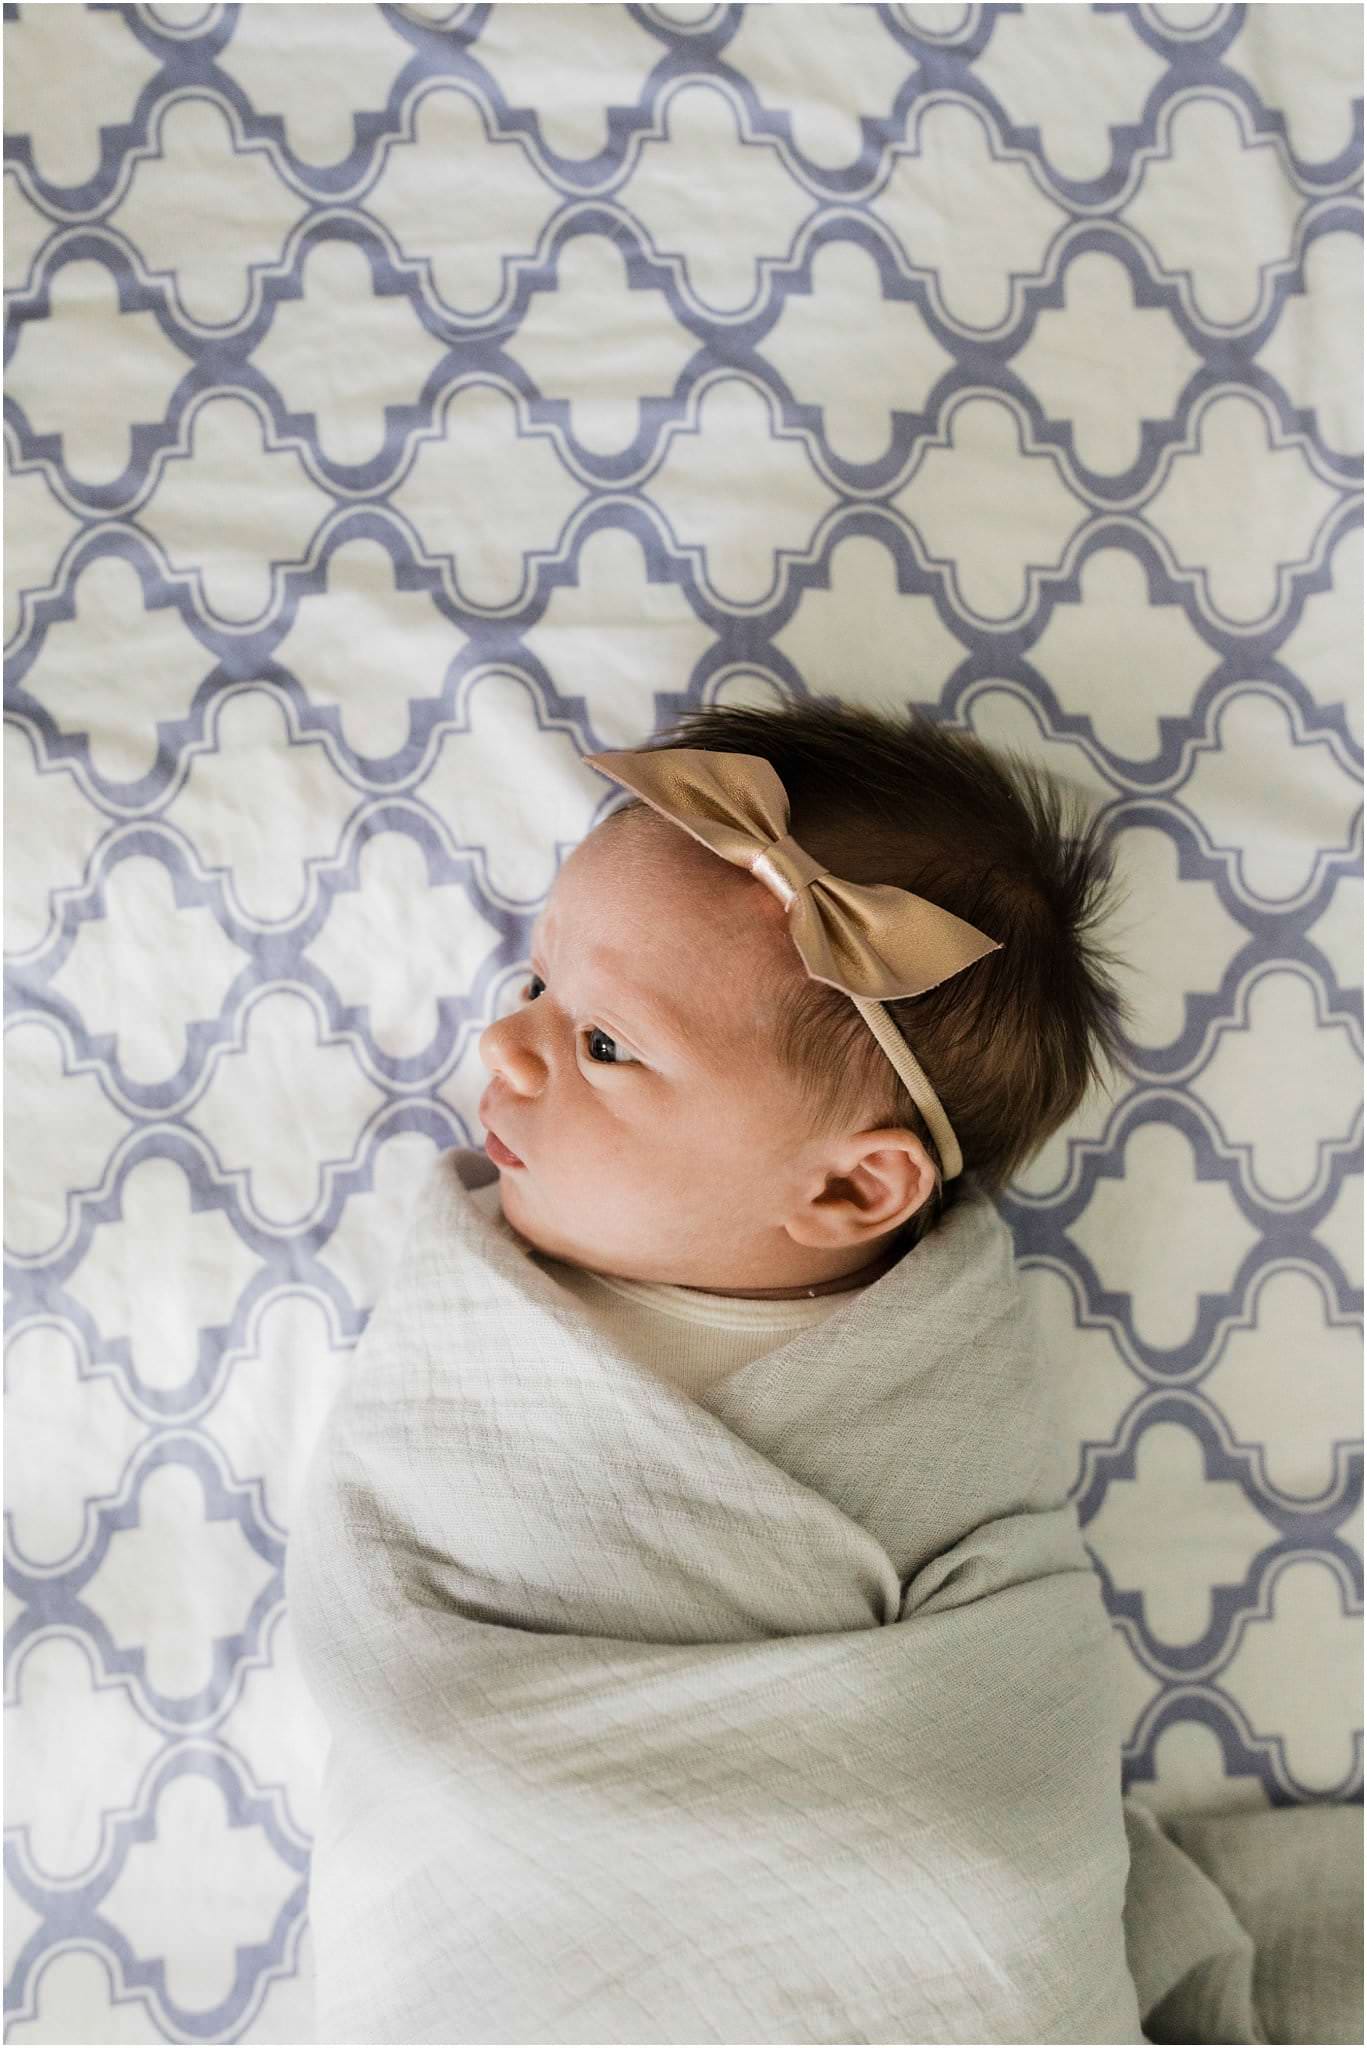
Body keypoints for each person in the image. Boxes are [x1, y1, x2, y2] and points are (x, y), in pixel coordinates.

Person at [470, 695, 1134, 1396]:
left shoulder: (927, 1400)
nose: (498, 1043)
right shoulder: (466, 1284)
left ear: (846, 1188)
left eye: (603, 1046)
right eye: (538, 986)